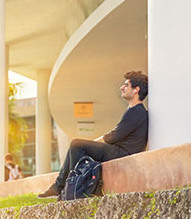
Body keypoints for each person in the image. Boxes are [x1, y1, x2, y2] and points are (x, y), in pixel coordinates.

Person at [38, 70, 148, 198]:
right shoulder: (134, 111)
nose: (121, 88)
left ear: (136, 90)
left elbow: (114, 136)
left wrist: (93, 144)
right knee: (76, 146)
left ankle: (69, 186)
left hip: (123, 153)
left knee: (77, 145)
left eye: (126, 85)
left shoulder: (137, 112)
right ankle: (61, 186)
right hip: (119, 150)